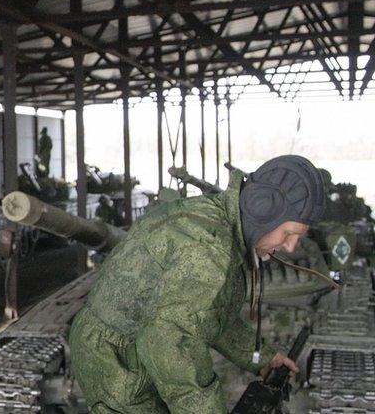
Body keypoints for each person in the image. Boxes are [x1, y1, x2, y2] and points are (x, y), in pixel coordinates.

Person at [69, 155, 326, 413]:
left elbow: (209, 316)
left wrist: (262, 357)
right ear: (262, 210)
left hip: (133, 344)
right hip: (117, 361)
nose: (290, 247)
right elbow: (172, 342)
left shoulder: (221, 220)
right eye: (289, 233)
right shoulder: (210, 249)